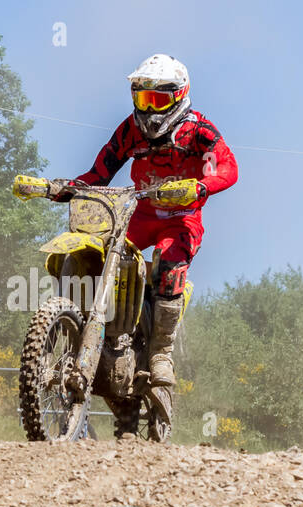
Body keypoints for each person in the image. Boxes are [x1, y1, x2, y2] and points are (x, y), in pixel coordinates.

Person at [49, 53, 238, 392]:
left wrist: (199, 186)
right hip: (140, 214)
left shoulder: (199, 132)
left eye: (158, 99)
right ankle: (89, 328)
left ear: (179, 95)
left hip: (181, 219)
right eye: (142, 98)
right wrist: (66, 187)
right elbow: (100, 172)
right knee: (103, 250)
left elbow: (228, 169)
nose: (149, 110)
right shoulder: (131, 129)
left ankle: (161, 353)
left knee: (167, 260)